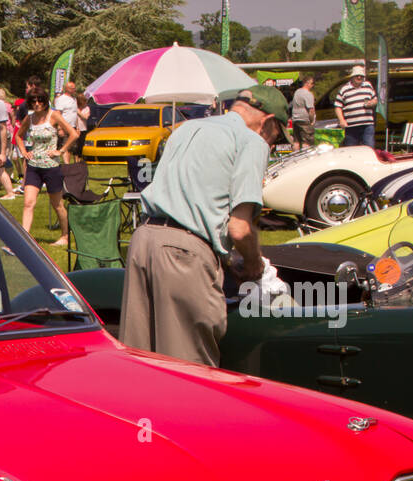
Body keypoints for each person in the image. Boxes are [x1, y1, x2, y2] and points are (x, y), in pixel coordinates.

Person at [119, 84, 289, 367]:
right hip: (185, 254)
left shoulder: (186, 128)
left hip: (143, 241)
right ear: (268, 122)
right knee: (190, 372)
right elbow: (239, 227)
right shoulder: (252, 141)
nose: (272, 144)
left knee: (142, 366)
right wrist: (254, 266)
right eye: (277, 137)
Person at [14, 91, 77, 246]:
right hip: (34, 166)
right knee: (28, 202)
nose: (37, 104)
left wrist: (60, 151)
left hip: (51, 166)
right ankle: (24, 238)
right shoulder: (29, 118)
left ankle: (65, 235)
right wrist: (23, 152)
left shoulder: (53, 115)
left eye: (40, 101)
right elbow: (18, 136)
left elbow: (73, 134)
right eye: (34, 101)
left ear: (45, 101)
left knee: (57, 204)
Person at [334, 65, 378, 148]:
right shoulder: (344, 89)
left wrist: (371, 103)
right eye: (357, 75)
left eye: (361, 76)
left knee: (369, 148)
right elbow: (337, 106)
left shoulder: (368, 86)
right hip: (351, 126)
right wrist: (341, 120)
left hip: (367, 124)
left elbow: (375, 100)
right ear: (352, 77)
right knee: (351, 149)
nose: (359, 77)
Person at [291, 75, 316, 149]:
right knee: (307, 142)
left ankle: (295, 156)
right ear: (308, 83)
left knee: (296, 142)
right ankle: (307, 157)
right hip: (305, 120)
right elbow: (311, 110)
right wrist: (311, 121)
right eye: (312, 83)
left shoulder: (297, 92)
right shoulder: (308, 94)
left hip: (295, 119)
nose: (313, 85)